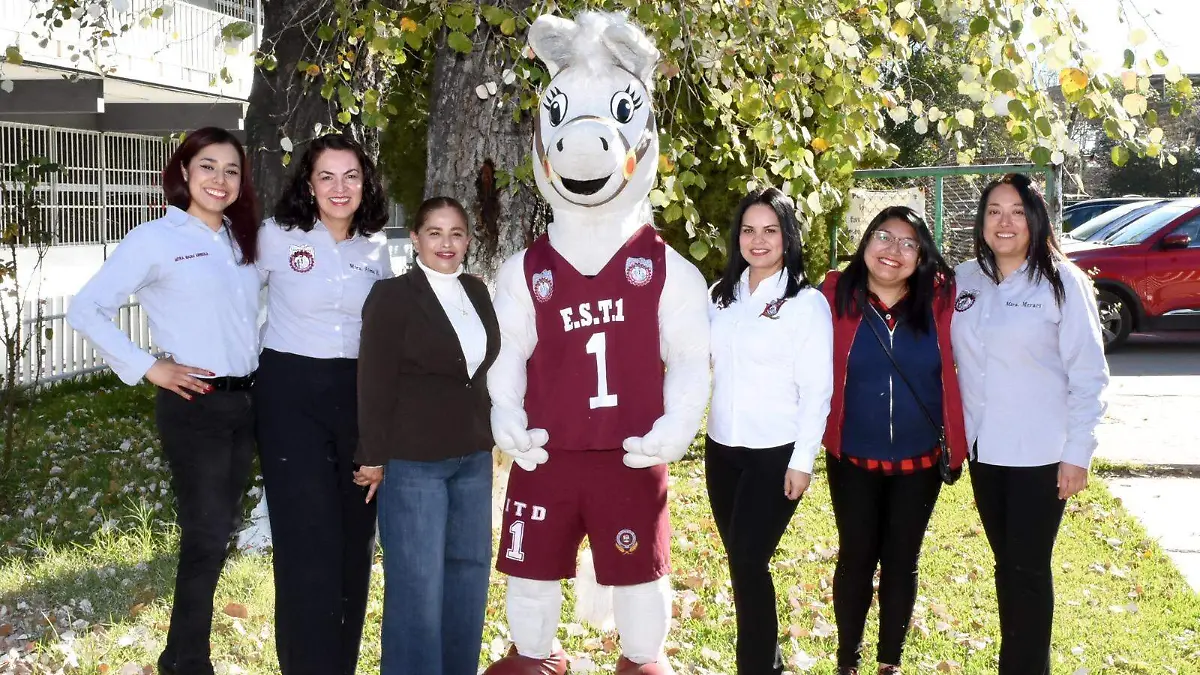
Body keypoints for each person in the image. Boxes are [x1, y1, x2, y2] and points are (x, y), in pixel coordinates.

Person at [66, 127, 260, 675]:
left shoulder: (241, 240)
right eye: (208, 166)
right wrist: (150, 366)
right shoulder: (155, 238)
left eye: (231, 170)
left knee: (219, 530)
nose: (219, 179)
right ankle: (188, 662)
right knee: (206, 533)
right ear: (183, 172)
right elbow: (86, 309)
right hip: (195, 404)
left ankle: (180, 655)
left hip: (246, 403)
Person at [951, 173, 1109, 674]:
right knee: (1008, 566)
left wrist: (1078, 453)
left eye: (1017, 211)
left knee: (1028, 570)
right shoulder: (964, 279)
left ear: (1035, 219)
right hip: (984, 451)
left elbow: (1089, 374)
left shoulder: (1063, 282)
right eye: (994, 211)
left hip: (1040, 455)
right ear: (981, 221)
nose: (1005, 222)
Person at [253, 134, 391, 675]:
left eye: (350, 176)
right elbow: (235, 301)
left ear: (365, 183)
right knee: (305, 537)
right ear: (308, 184)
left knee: (355, 537)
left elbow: (386, 332)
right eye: (326, 176)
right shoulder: (275, 236)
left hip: (357, 395)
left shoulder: (377, 247)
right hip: (290, 395)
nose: (339, 187)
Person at [352, 197, 500, 675]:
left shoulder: (476, 291)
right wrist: (372, 456)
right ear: (415, 238)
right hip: (414, 462)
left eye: (456, 233)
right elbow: (374, 382)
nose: (446, 243)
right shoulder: (392, 296)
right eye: (434, 232)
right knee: (417, 586)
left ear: (468, 241)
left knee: (469, 576)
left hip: (473, 457)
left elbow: (481, 372)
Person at [819, 206, 968, 675]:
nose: (894, 250)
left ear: (921, 256)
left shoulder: (942, 299)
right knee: (856, 556)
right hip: (851, 456)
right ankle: (848, 660)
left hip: (919, 459)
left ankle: (890, 663)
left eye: (908, 243)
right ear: (866, 242)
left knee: (902, 560)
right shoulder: (832, 295)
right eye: (884, 237)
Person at [706, 187, 834, 674]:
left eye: (770, 230)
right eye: (748, 230)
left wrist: (803, 462)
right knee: (742, 564)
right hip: (721, 450)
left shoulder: (806, 303)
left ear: (788, 237)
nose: (758, 240)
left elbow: (817, 390)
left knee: (748, 560)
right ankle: (769, 663)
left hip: (775, 455)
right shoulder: (719, 296)